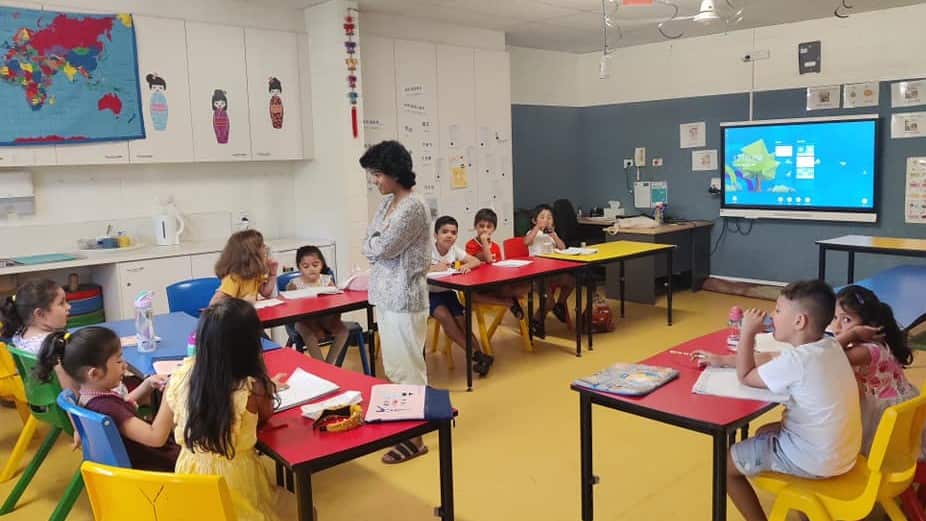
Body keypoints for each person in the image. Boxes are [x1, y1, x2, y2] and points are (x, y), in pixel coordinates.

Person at [724, 280, 861, 521]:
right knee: (764, 430)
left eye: (778, 310)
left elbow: (745, 376)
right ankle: (805, 509)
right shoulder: (828, 345)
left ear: (799, 321)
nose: (772, 315)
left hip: (816, 461)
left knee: (724, 465)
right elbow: (781, 360)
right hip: (844, 453)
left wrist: (747, 332)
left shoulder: (797, 362)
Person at [164, 299, 281, 521]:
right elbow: (266, 416)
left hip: (190, 481)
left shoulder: (181, 375)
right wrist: (265, 379)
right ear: (251, 344)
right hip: (235, 484)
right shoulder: (252, 386)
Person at [360, 140, 431, 464]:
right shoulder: (387, 204)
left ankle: (415, 438)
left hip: (404, 296)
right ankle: (405, 428)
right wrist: (375, 244)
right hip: (384, 294)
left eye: (377, 174)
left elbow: (383, 247)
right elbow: (369, 243)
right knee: (394, 366)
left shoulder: (413, 206)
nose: (375, 181)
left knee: (408, 368)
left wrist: (375, 244)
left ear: (393, 172)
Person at [34, 328, 179, 471]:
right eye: (118, 361)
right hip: (158, 470)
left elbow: (124, 405)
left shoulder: (89, 398)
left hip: (147, 463)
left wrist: (147, 385)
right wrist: (169, 393)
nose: (125, 365)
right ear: (95, 373)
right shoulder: (106, 406)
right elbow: (156, 437)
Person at [830, 285, 922, 456]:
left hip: (884, 415)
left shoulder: (863, 351)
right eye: (835, 318)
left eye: (846, 320)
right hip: (897, 406)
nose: (837, 326)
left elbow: (824, 356)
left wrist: (852, 334)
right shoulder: (875, 345)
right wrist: (852, 333)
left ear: (868, 326)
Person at [428, 215, 492, 377]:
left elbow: (475, 261)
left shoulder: (454, 250)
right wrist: (433, 268)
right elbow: (413, 270)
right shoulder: (426, 249)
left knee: (463, 322)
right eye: (445, 232)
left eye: (453, 232)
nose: (449, 235)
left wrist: (467, 266)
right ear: (436, 235)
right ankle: (476, 355)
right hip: (429, 294)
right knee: (445, 317)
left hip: (448, 292)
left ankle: (481, 355)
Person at [1, 279, 78, 393]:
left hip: (41, 399)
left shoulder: (19, 335)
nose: (68, 307)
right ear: (40, 314)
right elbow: (70, 391)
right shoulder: (55, 344)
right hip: (64, 404)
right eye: (61, 303)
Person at [286, 245, 349, 363]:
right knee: (307, 333)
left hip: (325, 319)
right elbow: (291, 309)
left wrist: (335, 321)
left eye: (315, 265)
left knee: (343, 331)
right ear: (299, 267)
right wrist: (314, 327)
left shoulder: (326, 280)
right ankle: (321, 365)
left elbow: (337, 302)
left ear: (322, 264)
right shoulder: (294, 284)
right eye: (306, 266)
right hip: (303, 321)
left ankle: (328, 365)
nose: (311, 269)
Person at [464, 208, 529, 320]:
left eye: (488, 227)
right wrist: (484, 242)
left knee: (519, 287)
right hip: (477, 283)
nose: (484, 229)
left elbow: (498, 266)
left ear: (494, 229)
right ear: (475, 226)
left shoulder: (495, 247)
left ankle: (510, 299)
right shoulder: (471, 245)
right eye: (481, 226)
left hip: (494, 283)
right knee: (470, 296)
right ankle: (508, 302)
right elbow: (488, 259)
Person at [524, 203, 574, 338]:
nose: (546, 220)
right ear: (534, 220)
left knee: (570, 281)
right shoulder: (533, 233)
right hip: (538, 275)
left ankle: (560, 304)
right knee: (548, 301)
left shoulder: (552, 235)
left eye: (549, 218)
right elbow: (526, 242)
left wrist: (554, 236)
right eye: (542, 217)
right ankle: (536, 320)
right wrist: (536, 229)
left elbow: (563, 248)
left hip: (552, 271)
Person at [210, 230, 279, 305]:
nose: (266, 249)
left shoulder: (254, 275)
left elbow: (265, 292)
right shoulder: (234, 278)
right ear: (251, 256)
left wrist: (272, 274)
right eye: (262, 246)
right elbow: (214, 304)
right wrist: (242, 303)